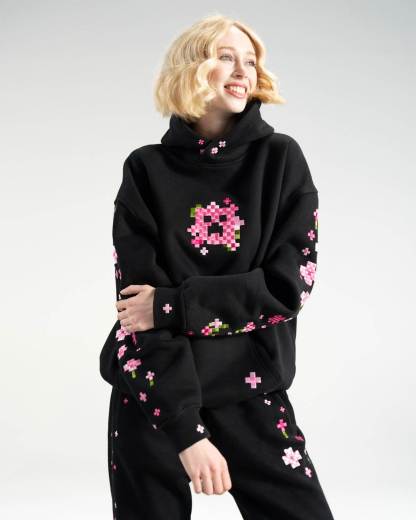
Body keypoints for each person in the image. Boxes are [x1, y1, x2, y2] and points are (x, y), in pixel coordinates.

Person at [99, 13, 335, 520]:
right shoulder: (145, 169)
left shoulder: (280, 160)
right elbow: (135, 311)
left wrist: (171, 305)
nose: (243, 70)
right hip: (155, 392)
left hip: (249, 386)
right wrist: (184, 430)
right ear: (191, 68)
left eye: (251, 60)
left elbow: (287, 287)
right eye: (226, 56)